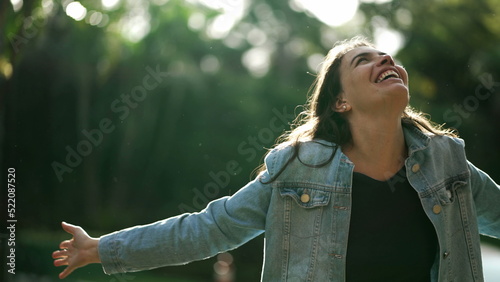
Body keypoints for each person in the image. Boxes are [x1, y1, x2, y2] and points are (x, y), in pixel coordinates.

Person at [52, 36, 500, 281]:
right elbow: (210, 230)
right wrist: (102, 249)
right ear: (340, 102)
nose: (386, 57)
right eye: (365, 59)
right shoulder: (296, 170)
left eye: (387, 55)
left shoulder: (448, 162)